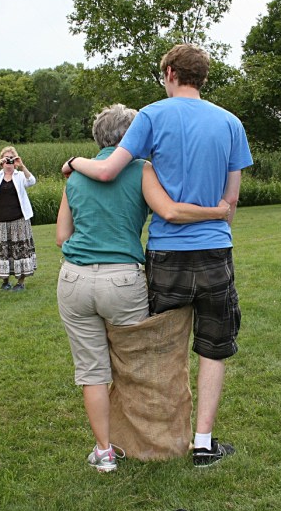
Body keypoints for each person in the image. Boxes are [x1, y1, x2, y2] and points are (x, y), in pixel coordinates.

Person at [61, 44, 253, 467]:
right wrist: (215, 221)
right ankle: (203, 443)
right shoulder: (231, 123)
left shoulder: (150, 115)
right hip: (216, 249)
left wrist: (74, 162)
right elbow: (231, 201)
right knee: (213, 349)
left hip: (166, 253)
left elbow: (110, 170)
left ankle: (159, 441)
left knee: (160, 351)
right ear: (201, 77)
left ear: (169, 72)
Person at [0, 146, 37, 292]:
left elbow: (31, 181)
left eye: (11, 159)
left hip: (19, 220)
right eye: (6, 159)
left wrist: (22, 165)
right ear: (1, 160)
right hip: (0, 221)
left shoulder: (19, 176)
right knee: (3, 252)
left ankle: (20, 282)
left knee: (20, 251)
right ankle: (5, 281)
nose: (9, 162)